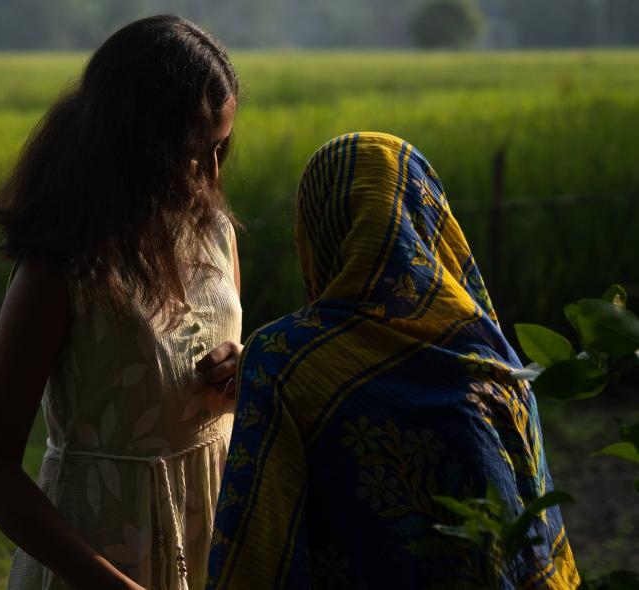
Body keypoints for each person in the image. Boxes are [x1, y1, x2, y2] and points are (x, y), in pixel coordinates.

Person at [207, 132, 580, 589]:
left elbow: (255, 558)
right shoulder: (495, 361)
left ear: (318, 232)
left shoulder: (284, 364)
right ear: (428, 221)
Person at [0, 15, 243, 590]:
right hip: (98, 553)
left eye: (222, 147)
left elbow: (220, 351)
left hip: (209, 533)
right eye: (197, 151)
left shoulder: (215, 232)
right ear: (141, 144)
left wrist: (245, 366)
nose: (213, 171)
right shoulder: (63, 268)